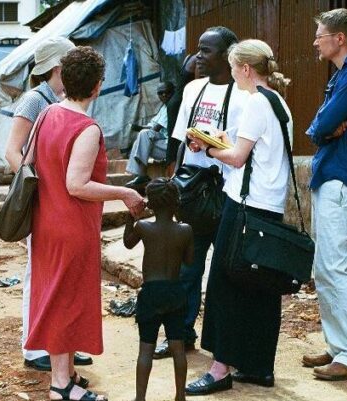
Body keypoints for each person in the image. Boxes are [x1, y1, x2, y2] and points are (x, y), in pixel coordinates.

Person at [25, 46, 145, 401]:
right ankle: (61, 386)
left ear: (63, 79)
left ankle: (68, 374)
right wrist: (124, 194)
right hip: (72, 226)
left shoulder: (47, 114)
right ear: (97, 87)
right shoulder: (86, 127)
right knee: (66, 301)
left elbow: (30, 162)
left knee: (57, 296)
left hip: (45, 221)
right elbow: (77, 185)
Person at [184, 39, 292, 395]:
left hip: (244, 204)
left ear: (246, 69)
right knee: (261, 287)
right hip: (270, 206)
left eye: (233, 68)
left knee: (224, 285)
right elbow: (255, 150)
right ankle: (258, 365)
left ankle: (219, 369)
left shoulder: (256, 103)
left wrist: (209, 147)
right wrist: (221, 141)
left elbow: (236, 158)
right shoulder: (279, 103)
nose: (231, 75)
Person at [152, 26, 249, 360]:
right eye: (198, 49)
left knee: (224, 273)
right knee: (185, 270)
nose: (198, 57)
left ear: (227, 55)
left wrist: (211, 145)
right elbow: (179, 142)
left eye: (207, 51)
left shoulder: (244, 94)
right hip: (192, 193)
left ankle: (225, 346)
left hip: (227, 193)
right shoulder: (193, 89)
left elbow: (244, 148)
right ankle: (181, 334)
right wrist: (173, 184)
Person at [4, 37, 94, 372]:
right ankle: (35, 346)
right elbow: (13, 152)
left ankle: (62, 345)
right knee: (37, 276)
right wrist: (39, 188)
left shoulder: (62, 100)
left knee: (63, 281)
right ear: (59, 67)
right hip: (45, 201)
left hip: (62, 203)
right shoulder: (34, 100)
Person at [302, 8, 347, 381]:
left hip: (342, 179)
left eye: (320, 35)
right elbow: (319, 126)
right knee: (325, 267)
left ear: (339, 38)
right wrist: (322, 129)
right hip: (331, 177)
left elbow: (323, 124)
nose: (315, 41)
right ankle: (338, 346)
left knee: (337, 267)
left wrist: (323, 129)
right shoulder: (343, 76)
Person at [123, 178, 194, 401]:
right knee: (177, 347)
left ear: (150, 204)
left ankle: (140, 398)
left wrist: (131, 217)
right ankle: (180, 396)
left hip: (151, 293)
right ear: (176, 202)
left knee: (146, 349)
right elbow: (190, 261)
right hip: (175, 292)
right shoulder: (185, 230)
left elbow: (127, 243)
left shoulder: (143, 227)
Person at [124, 82, 175, 191]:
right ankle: (140, 175)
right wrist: (138, 127)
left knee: (143, 134)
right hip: (162, 145)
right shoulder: (163, 108)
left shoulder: (173, 106)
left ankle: (140, 175)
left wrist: (137, 128)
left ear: (173, 92)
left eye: (167, 93)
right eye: (161, 93)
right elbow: (151, 126)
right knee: (143, 136)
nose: (164, 95)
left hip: (171, 148)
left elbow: (155, 128)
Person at [165, 54, 199, 175]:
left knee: (173, 143)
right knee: (177, 143)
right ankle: (174, 177)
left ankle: (172, 177)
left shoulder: (188, 57)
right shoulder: (197, 59)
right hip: (180, 103)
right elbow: (198, 83)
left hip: (175, 102)